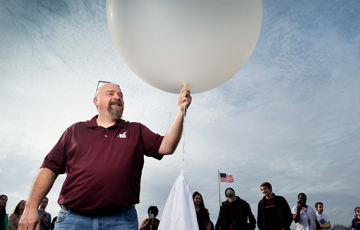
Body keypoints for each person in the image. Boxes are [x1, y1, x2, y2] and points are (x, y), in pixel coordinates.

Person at [19, 82, 192, 230]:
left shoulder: (135, 130)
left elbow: (166, 146)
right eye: (110, 93)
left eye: (121, 95)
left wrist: (180, 111)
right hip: (73, 220)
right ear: (96, 101)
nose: (117, 97)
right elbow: (50, 167)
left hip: (121, 220)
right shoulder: (75, 131)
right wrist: (31, 207)